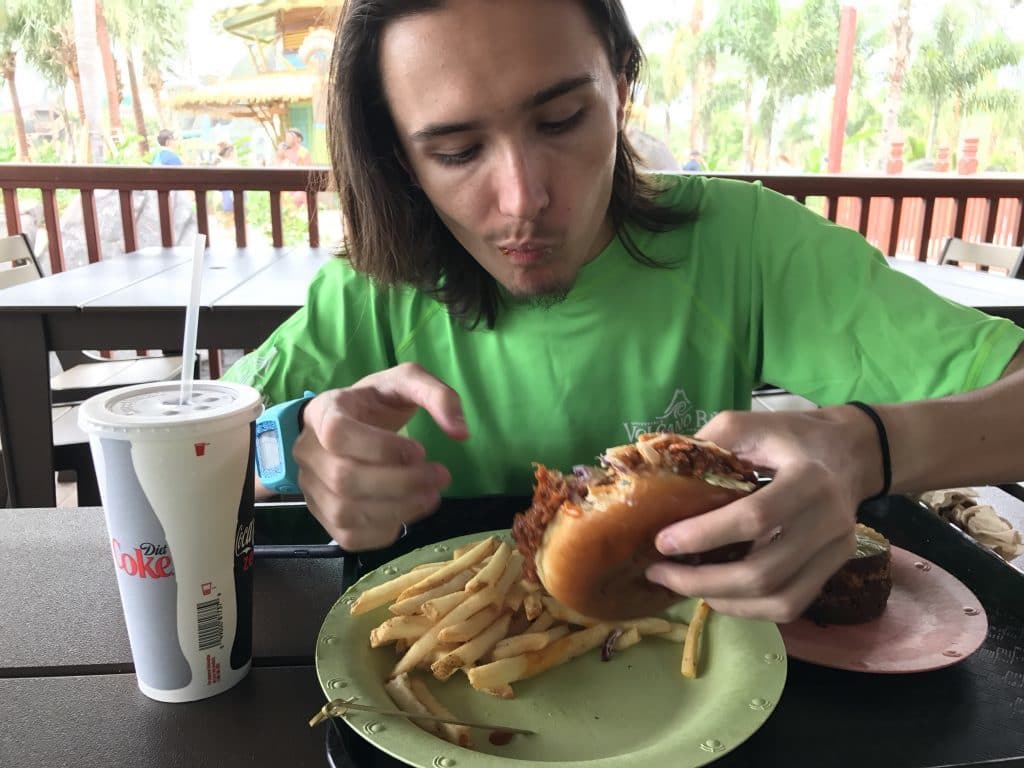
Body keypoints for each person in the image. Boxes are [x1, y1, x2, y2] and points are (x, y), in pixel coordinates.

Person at [222, 0, 1024, 623]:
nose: (523, 201)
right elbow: (205, 442)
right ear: (402, 159)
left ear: (622, 89)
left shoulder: (741, 241)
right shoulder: (372, 285)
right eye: (457, 152)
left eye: (563, 120)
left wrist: (865, 449)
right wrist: (293, 448)